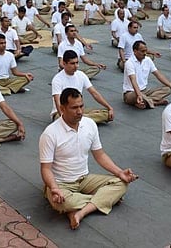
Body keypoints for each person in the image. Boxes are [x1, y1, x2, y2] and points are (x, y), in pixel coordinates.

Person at [39, 88, 138, 230]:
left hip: (84, 179)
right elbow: (45, 169)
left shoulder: (90, 124)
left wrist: (119, 172)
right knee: (63, 202)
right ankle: (104, 199)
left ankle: (80, 212)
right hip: (61, 184)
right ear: (62, 108)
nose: (79, 111)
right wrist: (54, 188)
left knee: (121, 183)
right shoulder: (50, 134)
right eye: (74, 108)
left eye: (81, 106)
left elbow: (100, 155)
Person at [51, 50, 113, 124]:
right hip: (61, 113)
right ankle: (85, 118)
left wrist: (109, 107)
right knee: (68, 117)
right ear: (64, 63)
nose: (76, 66)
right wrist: (63, 118)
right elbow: (58, 102)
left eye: (77, 63)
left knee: (106, 113)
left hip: (78, 109)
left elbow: (94, 93)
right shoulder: (57, 79)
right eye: (72, 63)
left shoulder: (81, 75)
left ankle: (83, 117)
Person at [123, 40, 171, 109]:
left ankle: (146, 102)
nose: (145, 53)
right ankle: (153, 102)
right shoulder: (129, 63)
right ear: (135, 51)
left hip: (145, 91)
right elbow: (133, 80)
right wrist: (139, 95)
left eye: (145, 51)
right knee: (139, 96)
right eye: (142, 51)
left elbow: (158, 74)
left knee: (167, 89)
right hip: (131, 93)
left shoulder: (148, 60)